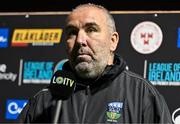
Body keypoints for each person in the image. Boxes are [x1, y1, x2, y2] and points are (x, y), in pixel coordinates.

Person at [17, 3, 172, 123]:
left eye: (91, 29)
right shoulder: (43, 100)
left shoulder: (142, 95)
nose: (80, 40)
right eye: (72, 32)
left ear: (113, 41)